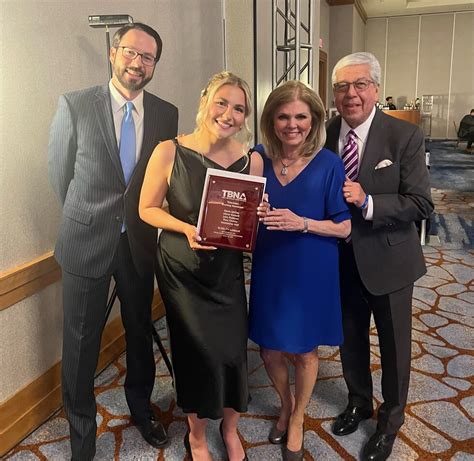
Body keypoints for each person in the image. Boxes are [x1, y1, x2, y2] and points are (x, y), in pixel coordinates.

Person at [48, 23, 178, 460]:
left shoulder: (166, 114)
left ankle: (141, 409)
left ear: (154, 65)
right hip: (86, 239)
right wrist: (89, 217)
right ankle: (82, 436)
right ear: (113, 52)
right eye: (131, 52)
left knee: (140, 332)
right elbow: (60, 173)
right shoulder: (75, 104)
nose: (138, 63)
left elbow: (161, 178)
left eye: (148, 57)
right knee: (81, 342)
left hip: (138, 243)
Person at [139, 71, 263, 461]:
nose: (229, 114)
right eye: (221, 103)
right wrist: (185, 227)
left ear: (245, 117)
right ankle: (196, 437)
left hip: (226, 272)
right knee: (196, 353)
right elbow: (146, 209)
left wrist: (258, 214)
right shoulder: (169, 151)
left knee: (232, 351)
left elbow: (248, 223)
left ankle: (230, 429)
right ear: (205, 102)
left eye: (239, 108)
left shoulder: (252, 160)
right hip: (183, 270)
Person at [325, 52, 433, 461]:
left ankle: (390, 422)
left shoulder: (404, 136)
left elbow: (421, 203)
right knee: (350, 339)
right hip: (339, 258)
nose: (350, 94)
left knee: (394, 348)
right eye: (341, 86)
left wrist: (368, 202)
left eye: (360, 85)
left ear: (376, 89)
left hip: (390, 261)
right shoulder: (324, 132)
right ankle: (358, 402)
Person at [248, 81, 351, 461]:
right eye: (283, 117)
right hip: (270, 265)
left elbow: (344, 227)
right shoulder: (258, 158)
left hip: (311, 268)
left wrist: (302, 222)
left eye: (301, 117)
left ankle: (297, 418)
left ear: (314, 120)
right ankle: (286, 403)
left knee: (306, 351)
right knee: (268, 349)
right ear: (271, 120)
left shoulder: (329, 163)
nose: (292, 125)